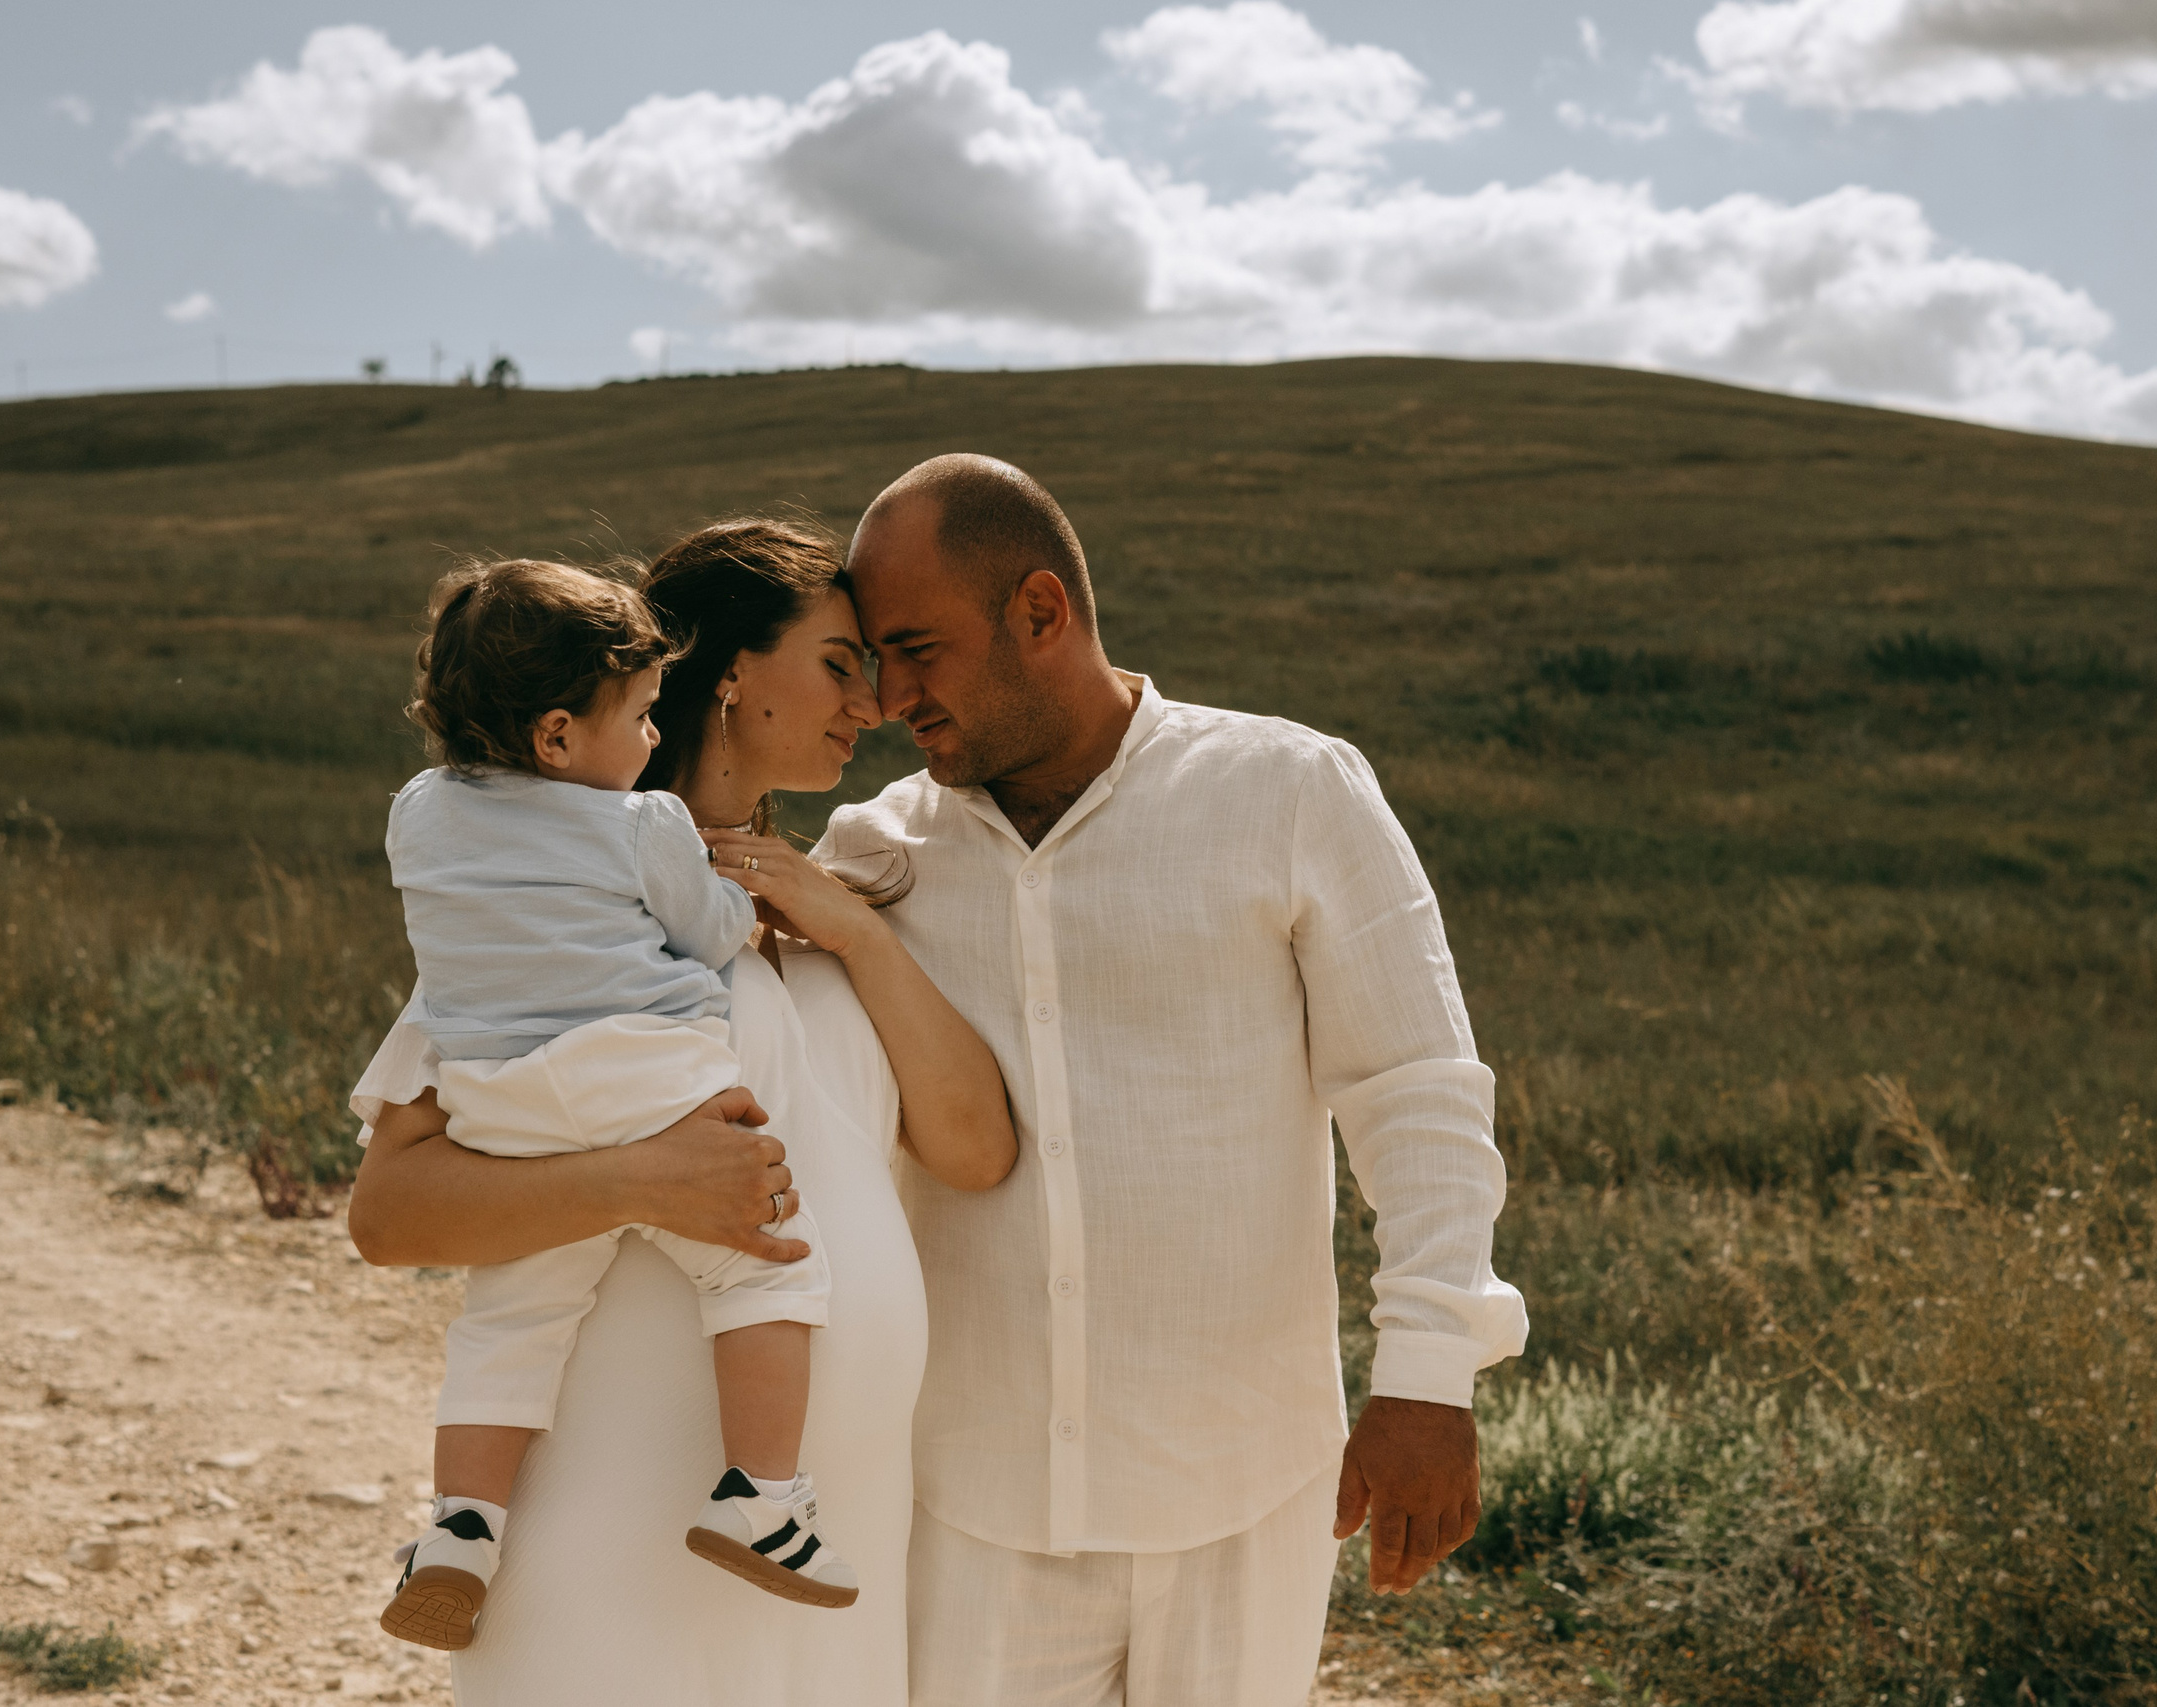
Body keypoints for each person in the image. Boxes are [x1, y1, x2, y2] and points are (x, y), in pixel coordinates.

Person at [821, 454, 1528, 1707]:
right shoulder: (874, 854)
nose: (890, 698)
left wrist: (1427, 1379)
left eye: (917, 651)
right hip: (971, 1500)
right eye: (876, 659)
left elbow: (1415, 1090)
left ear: (1041, 611)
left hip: (1244, 1481)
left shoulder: (1289, 792)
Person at [347, 520, 1015, 1704]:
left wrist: (853, 931)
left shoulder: (841, 908)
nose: (870, 703)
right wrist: (637, 1183)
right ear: (731, 673)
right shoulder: (560, 913)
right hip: (618, 1518)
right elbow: (390, 1214)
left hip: (827, 1534)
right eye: (837, 662)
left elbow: (974, 1151)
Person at [376, 557, 859, 1652]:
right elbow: (711, 931)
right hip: (641, 1079)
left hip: (499, 1097)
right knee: (766, 1262)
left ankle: (461, 1528)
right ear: (557, 737)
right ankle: (763, 1498)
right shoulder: (644, 825)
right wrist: (731, 890)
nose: (652, 735)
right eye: (640, 714)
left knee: (512, 1319)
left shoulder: (417, 812)